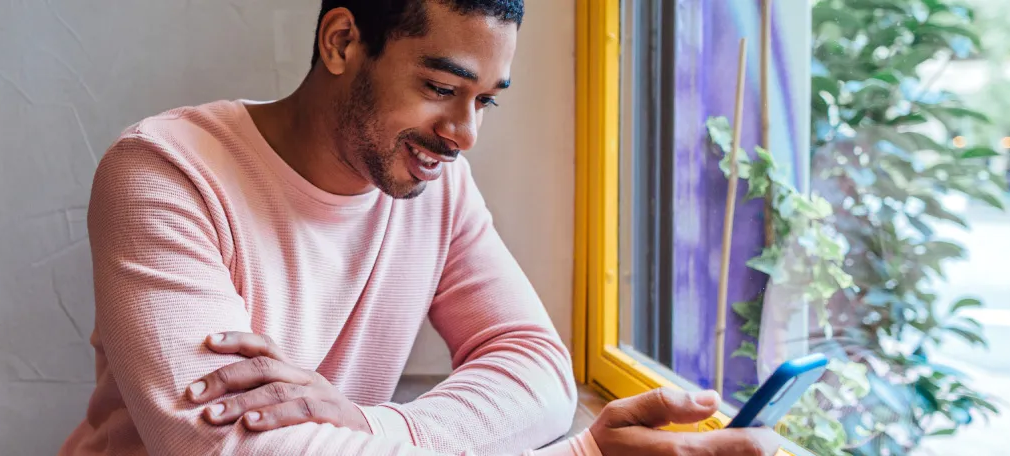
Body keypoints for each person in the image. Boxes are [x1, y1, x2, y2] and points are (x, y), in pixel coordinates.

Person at [59, 1, 782, 454]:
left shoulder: (437, 187)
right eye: (440, 88)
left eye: (485, 102)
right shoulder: (164, 172)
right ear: (341, 40)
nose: (463, 134)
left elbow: (535, 368)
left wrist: (377, 427)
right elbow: (231, 451)